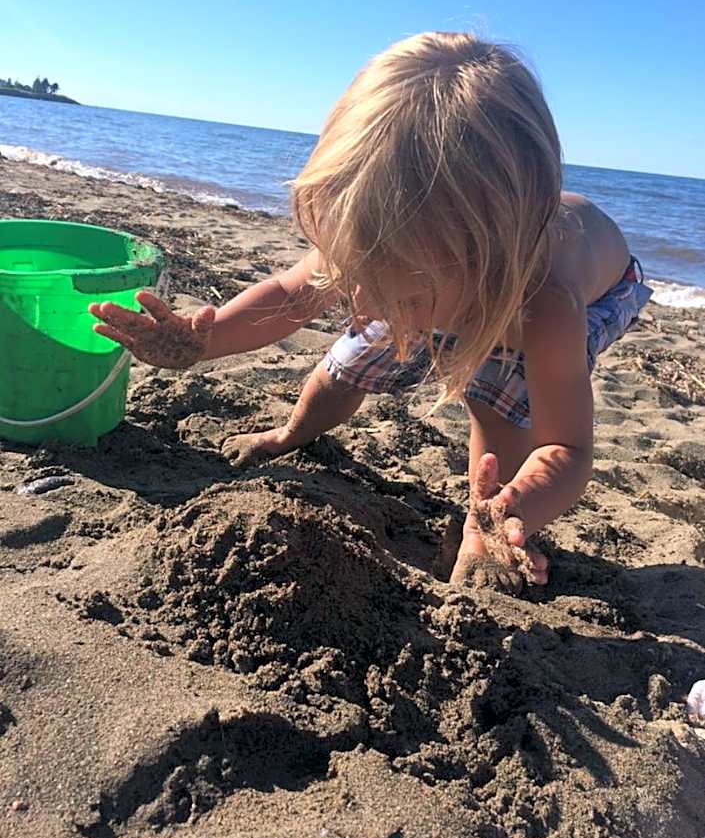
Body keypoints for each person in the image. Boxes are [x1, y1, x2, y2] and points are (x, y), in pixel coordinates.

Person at [89, 31, 652, 593]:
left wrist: (519, 505)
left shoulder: (546, 308)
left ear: (483, 262)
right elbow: (291, 295)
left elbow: (568, 447)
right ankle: (291, 433)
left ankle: (481, 532)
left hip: (591, 291)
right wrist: (201, 342)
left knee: (493, 399)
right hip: (472, 279)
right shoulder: (388, 230)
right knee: (343, 365)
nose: (359, 301)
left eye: (393, 291)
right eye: (358, 272)